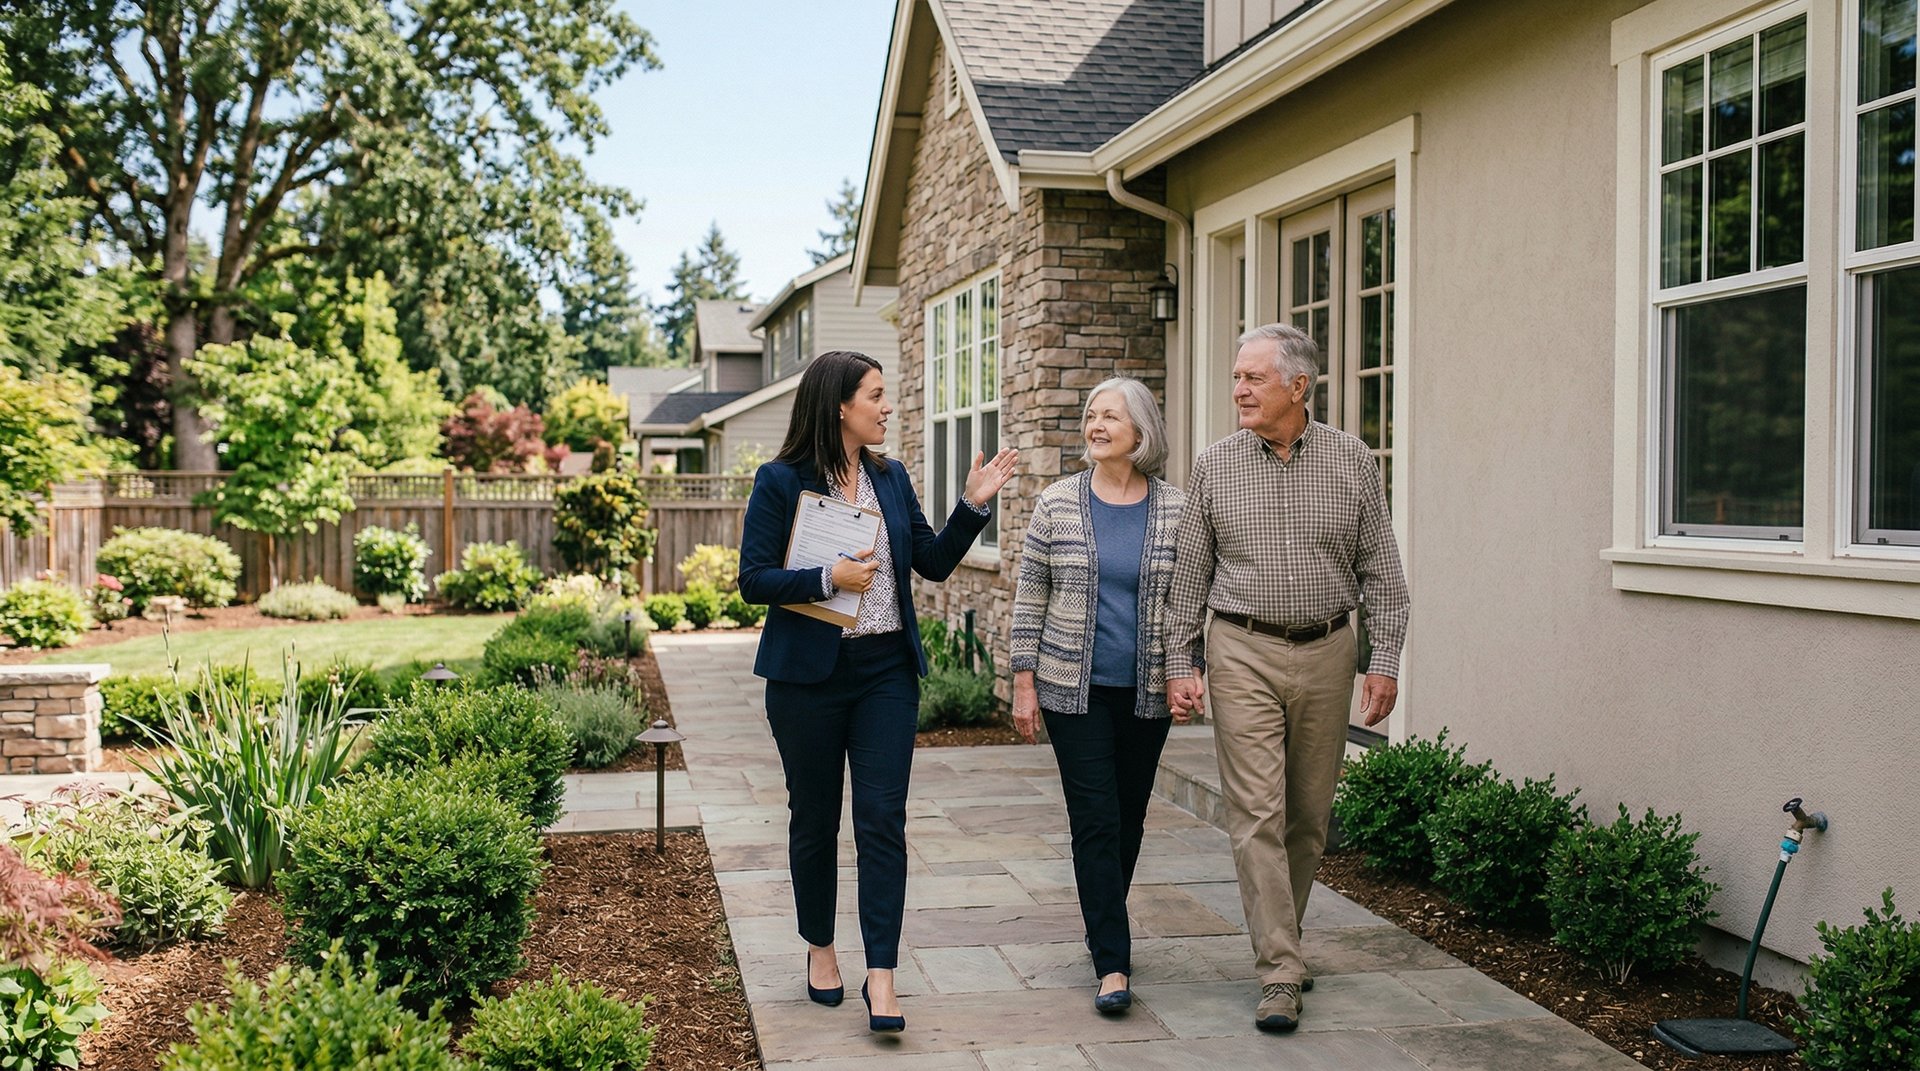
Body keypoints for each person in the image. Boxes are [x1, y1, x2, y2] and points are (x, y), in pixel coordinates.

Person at [737, 350, 1018, 1034]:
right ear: (840, 405)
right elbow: (753, 580)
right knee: (814, 820)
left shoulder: (890, 478)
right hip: (807, 681)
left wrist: (972, 506)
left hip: (886, 672)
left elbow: (932, 562)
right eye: (876, 395)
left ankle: (883, 975)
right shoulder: (781, 481)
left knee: (883, 820)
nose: (887, 406)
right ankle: (820, 948)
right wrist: (826, 577)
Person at [1163, 323, 1409, 1034]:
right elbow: (1189, 577)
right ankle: (1278, 970)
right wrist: (1182, 661)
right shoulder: (1215, 465)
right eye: (1237, 377)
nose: (1238, 390)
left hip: (1329, 649)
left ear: (1298, 387)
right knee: (1256, 814)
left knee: (1308, 816)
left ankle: (1285, 944)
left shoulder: (1352, 460)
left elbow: (1382, 573)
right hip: (1241, 648)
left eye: (1253, 378)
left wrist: (1384, 659)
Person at [1008, 377, 1187, 1017]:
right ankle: (1112, 959)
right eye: (1091, 414)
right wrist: (1023, 682)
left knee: (1128, 818)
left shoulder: (1177, 509)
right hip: (1071, 691)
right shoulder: (1057, 503)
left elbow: (1187, 601)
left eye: (1111, 415)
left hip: (1146, 693)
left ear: (1141, 431)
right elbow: (1030, 595)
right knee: (1096, 821)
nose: (1096, 425)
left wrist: (1187, 669)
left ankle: (1102, 920)